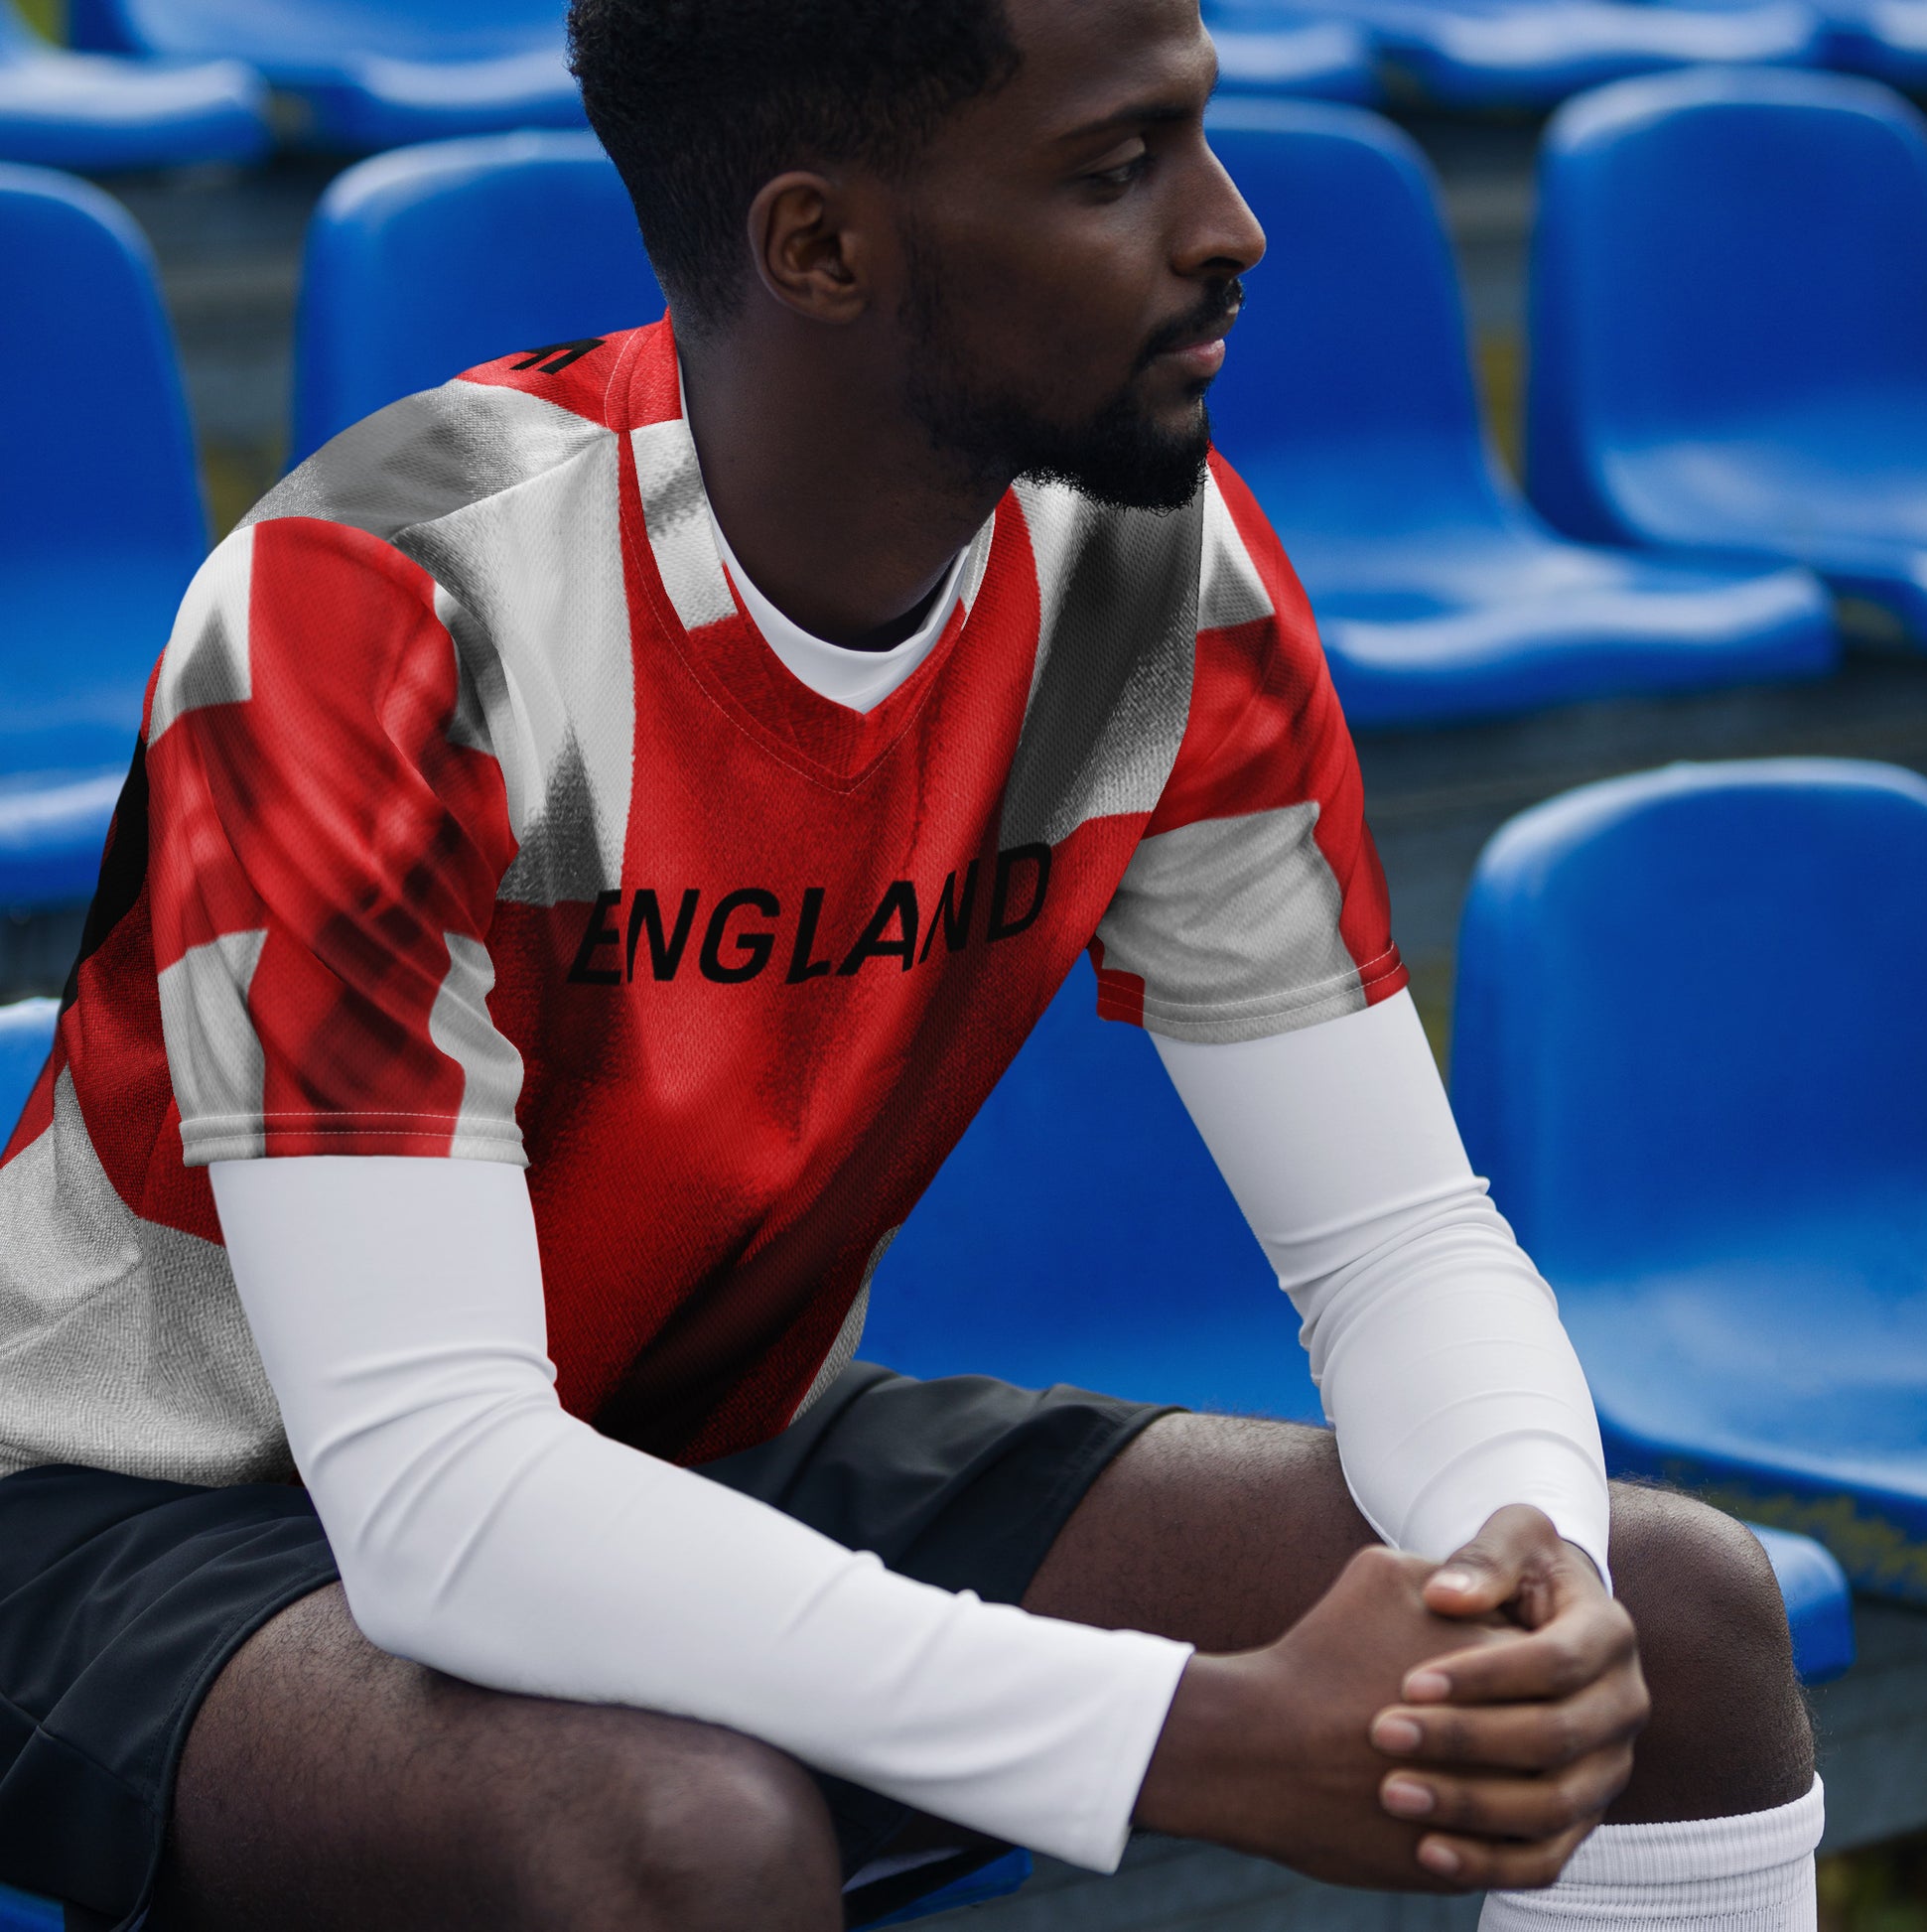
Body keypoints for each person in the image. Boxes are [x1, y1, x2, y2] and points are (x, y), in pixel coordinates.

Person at [0, 0, 1820, 1927]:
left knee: (1668, 1614)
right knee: (683, 1843)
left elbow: (1396, 1242)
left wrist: (1523, 1567)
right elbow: (437, 1492)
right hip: (142, 1514)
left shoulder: (1149, 563)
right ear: (820, 247)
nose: (1230, 226)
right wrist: (1187, 1733)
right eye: (1115, 168)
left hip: (687, 1435)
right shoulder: (377, 609)